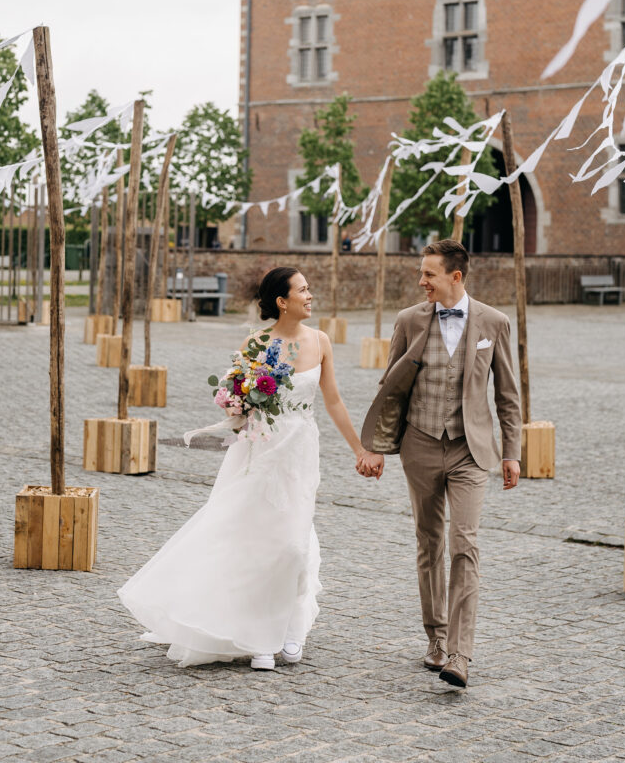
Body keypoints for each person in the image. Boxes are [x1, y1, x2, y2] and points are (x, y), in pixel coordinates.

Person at [117, 266, 374, 670]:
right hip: (260, 450)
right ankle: (260, 639)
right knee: (257, 538)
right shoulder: (256, 343)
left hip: (300, 451)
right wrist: (237, 404)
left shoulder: (321, 341)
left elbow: (335, 402)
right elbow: (235, 397)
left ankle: (290, 628)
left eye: (309, 289)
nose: (311, 296)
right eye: (303, 290)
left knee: (293, 542)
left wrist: (360, 449)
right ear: (281, 301)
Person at [357, 239, 521, 689]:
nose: (421, 281)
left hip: (471, 451)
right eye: (421, 273)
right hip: (421, 446)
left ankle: (460, 654)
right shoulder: (409, 321)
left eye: (428, 273)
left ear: (455, 276)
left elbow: (507, 394)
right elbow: (389, 388)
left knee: (463, 544)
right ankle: (435, 638)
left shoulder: (495, 322)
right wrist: (374, 446)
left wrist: (512, 452)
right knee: (429, 542)